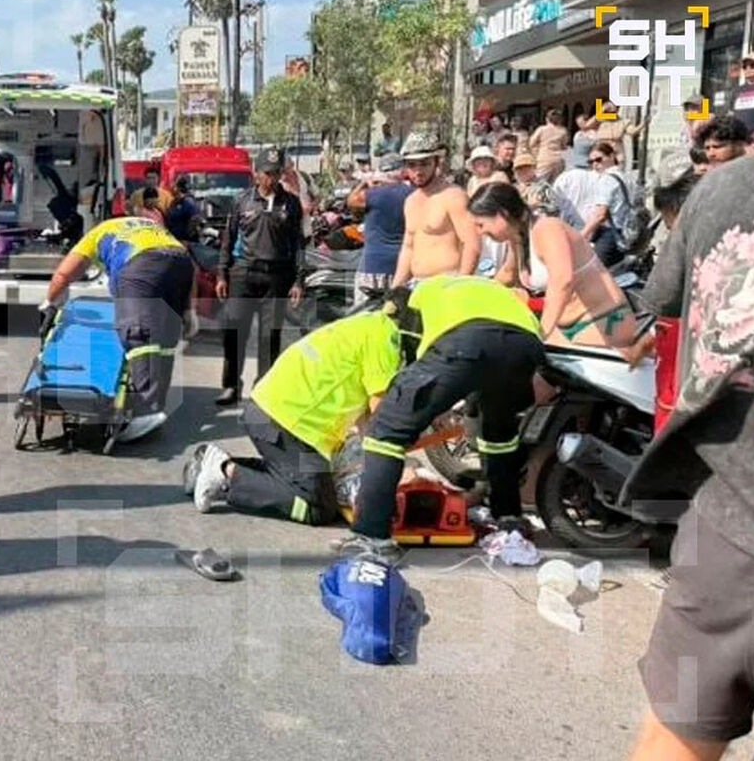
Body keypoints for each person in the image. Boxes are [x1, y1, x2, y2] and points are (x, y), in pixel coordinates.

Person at [621, 155, 754, 760]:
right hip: (729, 512)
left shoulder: (730, 188)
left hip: (733, 513)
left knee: (677, 732)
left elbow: (654, 309)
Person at [333, 277, 544, 559]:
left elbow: (417, 349)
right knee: (498, 433)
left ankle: (371, 536)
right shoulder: (481, 287)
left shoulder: (420, 295)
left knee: (385, 431)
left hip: (465, 343)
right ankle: (508, 519)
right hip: (525, 347)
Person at [184, 308, 401, 525]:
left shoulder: (371, 325)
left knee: (313, 482)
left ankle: (213, 461)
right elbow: (380, 420)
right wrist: (395, 467)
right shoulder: (385, 340)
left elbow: (367, 422)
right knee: (318, 508)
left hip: (272, 415)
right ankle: (226, 472)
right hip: (285, 424)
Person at [43, 216, 194, 442]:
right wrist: (189, 310)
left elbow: (63, 275)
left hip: (141, 265)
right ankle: (156, 405)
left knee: (137, 334)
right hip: (182, 264)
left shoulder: (98, 233)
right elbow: (183, 258)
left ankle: (147, 411)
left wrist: (50, 303)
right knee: (164, 338)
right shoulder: (149, 225)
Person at [470, 183, 638, 349]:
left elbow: (562, 281)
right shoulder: (518, 237)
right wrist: (472, 299)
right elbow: (507, 274)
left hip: (605, 321)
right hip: (567, 327)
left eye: (481, 225)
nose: (480, 232)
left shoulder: (547, 228)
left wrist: (541, 334)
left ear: (502, 215)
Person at [214, 148, 304, 406]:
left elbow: (298, 244)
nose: (272, 179)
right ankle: (231, 386)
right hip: (243, 273)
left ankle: (263, 389)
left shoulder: (291, 203)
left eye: (276, 173)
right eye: (267, 173)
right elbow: (228, 239)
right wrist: (222, 274)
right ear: (256, 174)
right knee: (234, 332)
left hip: (277, 276)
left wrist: (298, 280)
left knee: (269, 336)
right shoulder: (242, 201)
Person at [390, 132, 481, 287]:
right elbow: (408, 247)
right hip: (417, 285)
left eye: (424, 163)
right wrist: (395, 287)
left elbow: (472, 244)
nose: (418, 171)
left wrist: (460, 285)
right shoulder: (410, 201)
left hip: (448, 283)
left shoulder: (453, 196)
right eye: (412, 165)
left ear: (436, 162)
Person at [349, 153, 411, 294]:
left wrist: (365, 182)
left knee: (365, 308)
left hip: (373, 265)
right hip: (402, 268)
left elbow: (351, 201)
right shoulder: (413, 194)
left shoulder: (373, 194)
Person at [554, 142, 621, 267]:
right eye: (591, 161)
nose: (595, 164)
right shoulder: (620, 176)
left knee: (593, 270)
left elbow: (600, 215)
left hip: (611, 234)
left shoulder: (607, 179)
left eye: (598, 159)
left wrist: (581, 236)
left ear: (611, 156)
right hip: (619, 233)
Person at [514, 152, 581, 227]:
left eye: (526, 168)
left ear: (533, 168)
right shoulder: (515, 189)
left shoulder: (543, 187)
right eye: (519, 169)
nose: (523, 172)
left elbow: (555, 208)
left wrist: (539, 205)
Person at [594, 101, 645, 166]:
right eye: (607, 112)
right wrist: (603, 109)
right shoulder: (601, 120)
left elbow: (632, 131)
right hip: (601, 155)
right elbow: (589, 123)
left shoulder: (623, 122)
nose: (609, 114)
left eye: (612, 112)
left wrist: (643, 124)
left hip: (616, 155)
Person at [529, 108, 570, 182]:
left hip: (544, 158)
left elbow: (531, 143)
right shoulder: (563, 131)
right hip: (558, 159)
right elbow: (564, 146)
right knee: (556, 182)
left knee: (539, 182)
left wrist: (535, 153)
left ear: (547, 119)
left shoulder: (541, 129)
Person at [164, 177, 200, 242]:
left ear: (178, 188)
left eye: (174, 185)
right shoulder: (174, 202)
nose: (172, 187)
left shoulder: (188, 201)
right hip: (174, 239)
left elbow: (194, 220)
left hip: (185, 240)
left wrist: (187, 238)